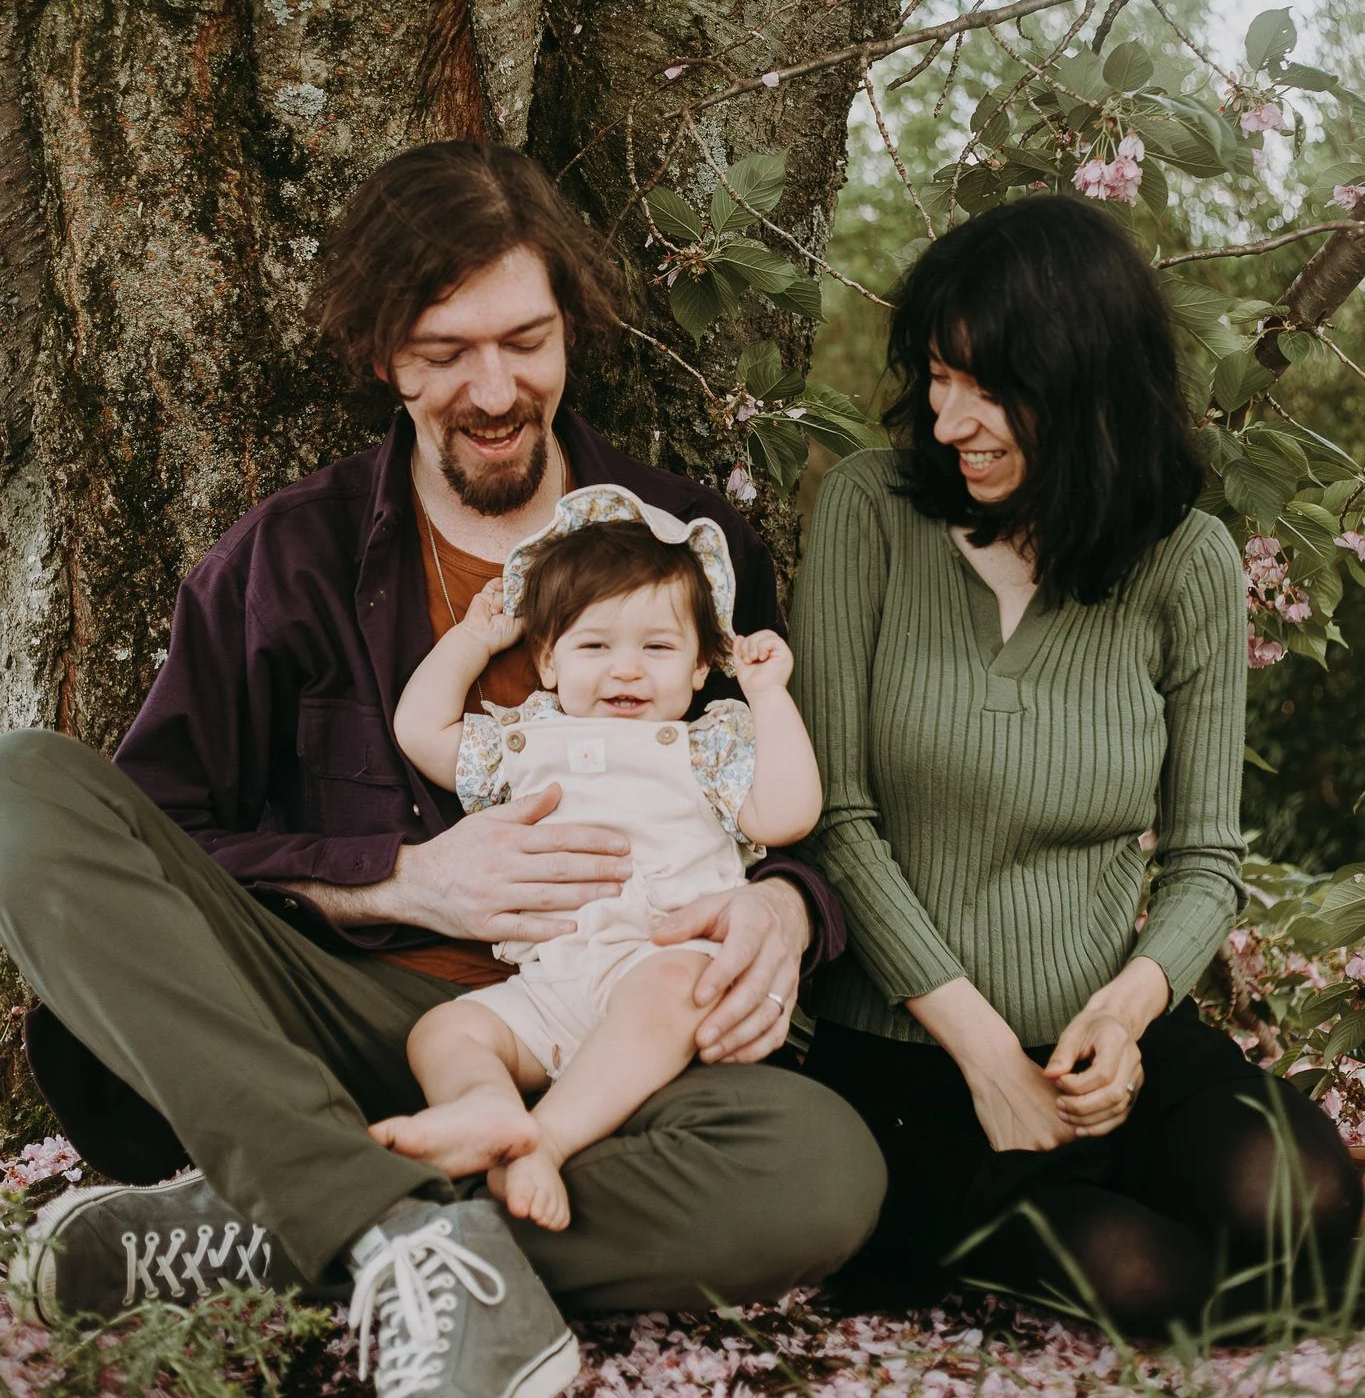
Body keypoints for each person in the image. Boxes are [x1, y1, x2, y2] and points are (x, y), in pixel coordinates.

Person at [0, 141, 884, 1398]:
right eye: (442, 349)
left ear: (569, 325)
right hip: (334, 1029)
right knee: (19, 783)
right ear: (378, 352)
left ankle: (284, 1224)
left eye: (525, 338)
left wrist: (785, 907)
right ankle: (388, 1230)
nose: (493, 387)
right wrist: (395, 881)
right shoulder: (286, 561)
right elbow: (159, 838)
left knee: (819, 1167)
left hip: (604, 1053)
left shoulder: (689, 540)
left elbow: (771, 797)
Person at [792, 194, 1361, 1337]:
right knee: (1153, 1285)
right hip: (914, 1060)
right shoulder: (869, 512)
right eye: (937, 379)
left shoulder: (1187, 559)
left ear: (1088, 382)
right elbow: (836, 817)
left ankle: (1131, 1173)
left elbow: (1206, 859)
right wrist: (990, 1052)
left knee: (1303, 1201)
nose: (950, 421)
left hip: (1110, 1047)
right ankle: (1033, 1219)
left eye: (989, 387)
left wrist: (1132, 1001)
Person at [369, 489, 822, 1231]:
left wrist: (769, 696)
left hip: (659, 966)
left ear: (702, 666)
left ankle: (545, 1140)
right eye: (593, 645)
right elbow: (421, 730)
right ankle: (483, 1106)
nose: (625, 671)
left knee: (685, 979)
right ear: (546, 661)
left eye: (656, 647)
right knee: (444, 1032)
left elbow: (788, 814)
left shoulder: (706, 748)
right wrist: (472, 643)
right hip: (552, 985)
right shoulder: (525, 742)